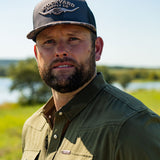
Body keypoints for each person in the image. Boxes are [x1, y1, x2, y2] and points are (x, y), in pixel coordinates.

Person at [21, 0, 160, 159]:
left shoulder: (133, 126)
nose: (60, 51)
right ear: (37, 55)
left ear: (97, 48)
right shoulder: (32, 127)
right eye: (48, 41)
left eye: (73, 38)